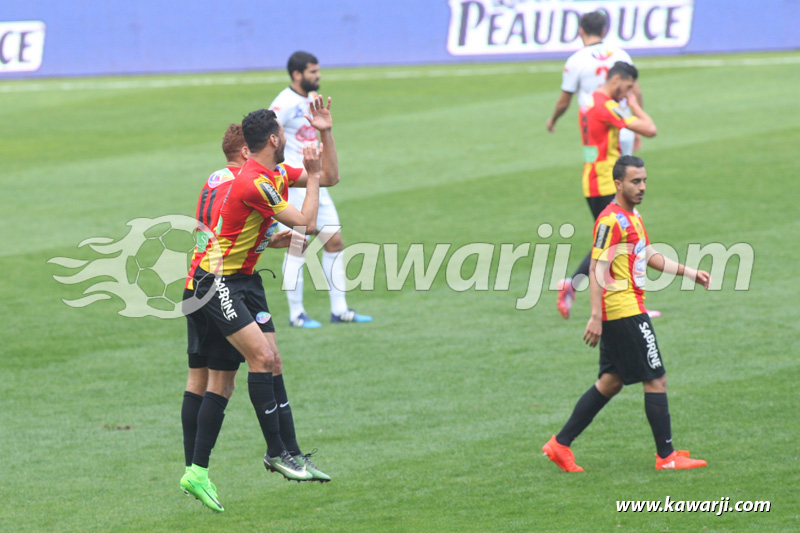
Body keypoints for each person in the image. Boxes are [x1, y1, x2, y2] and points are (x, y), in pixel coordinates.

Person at [180, 98, 337, 512]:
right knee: (256, 360)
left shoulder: (275, 172)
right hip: (215, 283)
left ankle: (287, 452)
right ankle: (275, 454)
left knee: (262, 364)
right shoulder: (253, 181)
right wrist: (315, 176)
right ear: (272, 139)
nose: (287, 136)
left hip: (243, 279)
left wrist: (325, 132)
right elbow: (304, 221)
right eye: (283, 133)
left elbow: (334, 177)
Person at [542, 155, 710, 472]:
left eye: (644, 180)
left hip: (624, 311)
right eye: (635, 181)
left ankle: (559, 445)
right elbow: (597, 269)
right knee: (656, 379)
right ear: (618, 184)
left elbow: (647, 253)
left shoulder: (632, 217)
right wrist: (595, 316)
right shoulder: (609, 221)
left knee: (610, 382)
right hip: (624, 311)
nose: (642, 186)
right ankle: (667, 457)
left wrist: (688, 272)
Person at [180, 124, 297, 512]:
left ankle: (193, 469)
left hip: (193, 279)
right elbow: (234, 233)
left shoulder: (213, 181)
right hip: (222, 283)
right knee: (223, 381)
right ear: (247, 151)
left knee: (199, 379)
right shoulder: (244, 181)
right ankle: (198, 471)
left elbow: (213, 230)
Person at [270, 51, 371, 328]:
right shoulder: (284, 103)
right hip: (294, 183)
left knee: (334, 241)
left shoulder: (311, 101)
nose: (318, 76)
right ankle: (296, 314)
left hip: (315, 180)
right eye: (313, 71)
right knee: (297, 244)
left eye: (318, 71)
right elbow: (270, 133)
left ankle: (340, 309)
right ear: (297, 74)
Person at [555, 61, 657, 319]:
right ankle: (581, 288)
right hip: (604, 181)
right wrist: (634, 106)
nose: (628, 93)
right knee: (616, 241)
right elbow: (650, 129)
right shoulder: (606, 106)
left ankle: (584, 288)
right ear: (617, 80)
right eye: (628, 87)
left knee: (612, 242)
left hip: (592, 177)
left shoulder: (588, 102)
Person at [546, 10, 642, 155]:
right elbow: (636, 92)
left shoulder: (576, 60)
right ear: (603, 31)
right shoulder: (621, 55)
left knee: (597, 173)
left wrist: (553, 119)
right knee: (625, 175)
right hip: (623, 127)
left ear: (581, 31)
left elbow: (564, 102)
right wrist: (637, 125)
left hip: (595, 131)